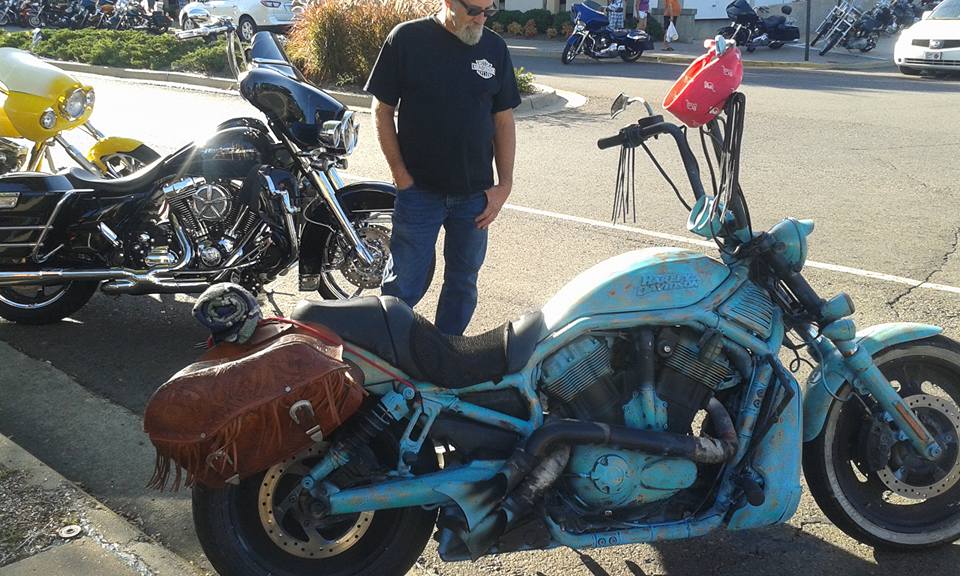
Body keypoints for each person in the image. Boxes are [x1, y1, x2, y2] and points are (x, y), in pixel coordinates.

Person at [365, 0, 521, 336]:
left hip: (476, 197)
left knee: (463, 284)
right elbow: (381, 109)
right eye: (474, 10)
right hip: (419, 191)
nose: (481, 19)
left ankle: (447, 351)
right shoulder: (407, 39)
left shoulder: (494, 48)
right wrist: (400, 175)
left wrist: (504, 185)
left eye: (489, 11)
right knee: (402, 286)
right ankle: (392, 356)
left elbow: (503, 120)